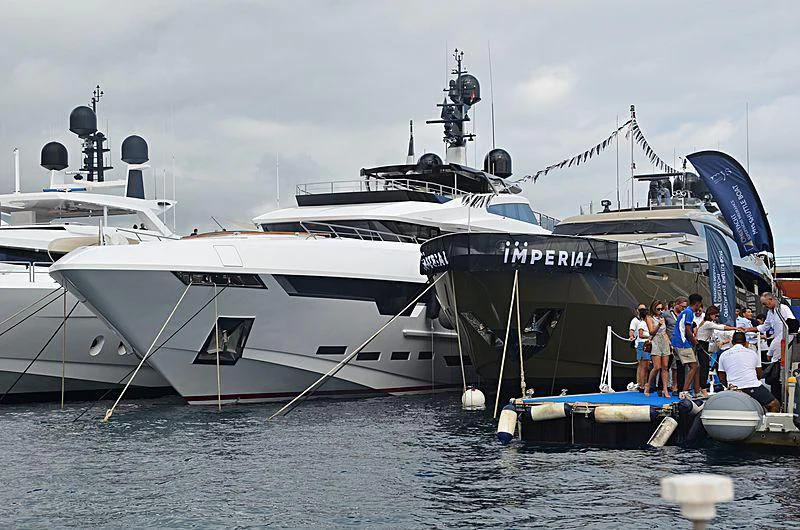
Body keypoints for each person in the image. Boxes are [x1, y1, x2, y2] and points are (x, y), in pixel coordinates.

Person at [743, 292, 796, 402]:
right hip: (777, 345)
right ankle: (777, 398)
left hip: (784, 344)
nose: (764, 306)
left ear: (771, 300)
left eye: (765, 304)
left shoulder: (783, 309)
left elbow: (790, 327)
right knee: (775, 376)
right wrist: (748, 329)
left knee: (778, 372)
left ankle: (781, 398)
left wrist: (771, 351)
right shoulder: (770, 312)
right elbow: (765, 326)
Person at [718, 332, 780, 412]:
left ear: (732, 343)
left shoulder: (723, 355)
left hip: (733, 388)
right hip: (753, 387)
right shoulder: (753, 353)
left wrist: (730, 387)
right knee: (774, 404)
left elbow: (722, 377)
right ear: (746, 343)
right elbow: (759, 375)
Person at [695, 305, 738, 393]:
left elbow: (713, 334)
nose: (716, 317)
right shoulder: (708, 323)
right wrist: (735, 328)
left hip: (704, 344)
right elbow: (721, 327)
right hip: (702, 345)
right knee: (704, 367)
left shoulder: (705, 323)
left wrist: (718, 341)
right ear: (711, 314)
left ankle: (701, 387)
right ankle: (702, 388)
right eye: (715, 315)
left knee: (704, 366)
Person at [672, 293, 706, 398]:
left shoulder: (686, 312)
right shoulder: (689, 312)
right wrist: (695, 342)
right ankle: (684, 392)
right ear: (697, 304)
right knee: (694, 366)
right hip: (682, 343)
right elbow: (687, 330)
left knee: (694, 366)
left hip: (678, 342)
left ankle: (695, 391)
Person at [645, 300, 670, 397]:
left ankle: (665, 389)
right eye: (658, 309)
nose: (660, 311)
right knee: (657, 367)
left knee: (665, 366)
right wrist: (659, 324)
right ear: (653, 308)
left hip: (664, 341)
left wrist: (669, 343)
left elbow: (665, 332)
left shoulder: (663, 318)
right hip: (655, 341)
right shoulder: (649, 318)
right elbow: (651, 332)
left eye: (661, 309)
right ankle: (648, 385)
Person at [663, 296, 688, 393]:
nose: (683, 308)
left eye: (685, 307)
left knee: (679, 366)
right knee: (667, 366)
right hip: (669, 343)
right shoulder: (666, 314)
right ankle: (663, 387)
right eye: (682, 306)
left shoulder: (684, 314)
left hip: (681, 343)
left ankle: (676, 386)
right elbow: (663, 329)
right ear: (676, 304)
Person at [630, 303, 651, 389]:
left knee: (646, 366)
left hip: (648, 345)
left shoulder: (646, 322)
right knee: (642, 366)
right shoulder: (636, 321)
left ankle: (643, 383)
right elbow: (633, 330)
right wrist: (631, 336)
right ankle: (640, 384)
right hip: (642, 344)